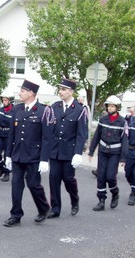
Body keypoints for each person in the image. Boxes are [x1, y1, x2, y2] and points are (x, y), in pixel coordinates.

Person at [3, 80, 53, 227]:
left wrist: (44, 159)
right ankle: (15, 214)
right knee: (16, 185)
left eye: (23, 91)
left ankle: (43, 208)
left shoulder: (43, 111)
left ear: (31, 93)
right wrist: (8, 155)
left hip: (34, 155)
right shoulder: (17, 109)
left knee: (33, 185)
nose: (20, 93)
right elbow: (12, 134)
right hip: (18, 154)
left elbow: (46, 137)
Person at [47, 78, 88, 218]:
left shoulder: (79, 109)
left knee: (68, 179)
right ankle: (55, 208)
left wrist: (78, 153)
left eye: (64, 89)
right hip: (55, 150)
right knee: (53, 179)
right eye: (60, 89)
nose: (61, 92)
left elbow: (81, 134)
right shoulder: (55, 107)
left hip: (69, 151)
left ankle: (74, 200)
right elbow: (50, 128)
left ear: (71, 92)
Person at [88, 96, 128, 211]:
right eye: (108, 106)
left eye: (112, 106)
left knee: (110, 176)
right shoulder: (103, 120)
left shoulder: (122, 122)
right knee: (100, 176)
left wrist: (123, 158)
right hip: (103, 151)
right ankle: (101, 200)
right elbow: (97, 136)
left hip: (115, 152)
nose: (110, 108)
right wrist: (91, 151)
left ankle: (115, 193)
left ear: (117, 107)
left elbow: (125, 140)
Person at [0, 94, 14, 182]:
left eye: (6, 100)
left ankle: (7, 173)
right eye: (3, 100)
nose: (4, 102)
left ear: (10, 101)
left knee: (7, 155)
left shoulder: (14, 111)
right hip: (0, 134)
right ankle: (1, 168)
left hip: (9, 135)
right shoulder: (0, 110)